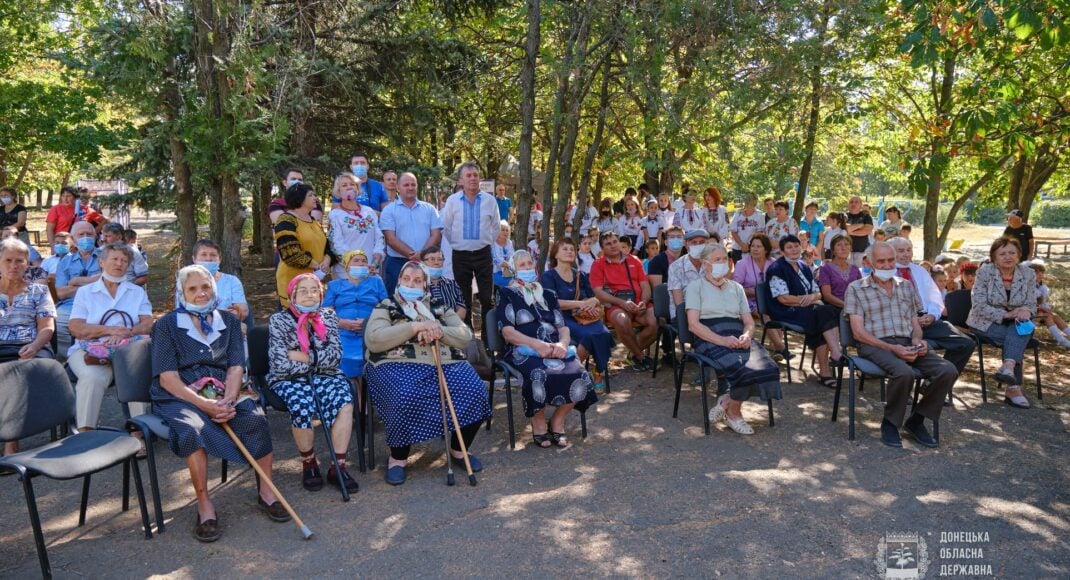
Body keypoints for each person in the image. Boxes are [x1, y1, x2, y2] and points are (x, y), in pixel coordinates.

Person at [151, 264, 289, 542]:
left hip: (225, 390)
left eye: (205, 287)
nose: (201, 293)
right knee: (192, 431)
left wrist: (228, 399)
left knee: (255, 418)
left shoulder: (228, 321)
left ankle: (267, 491)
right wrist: (205, 405)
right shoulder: (166, 325)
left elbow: (236, 366)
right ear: (182, 292)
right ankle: (205, 506)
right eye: (193, 288)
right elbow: (168, 379)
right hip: (181, 394)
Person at [364, 261, 491, 485]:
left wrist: (437, 329)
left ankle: (459, 448)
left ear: (425, 286)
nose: (411, 283)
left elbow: (463, 335)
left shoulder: (439, 306)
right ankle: (398, 458)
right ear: (399, 281)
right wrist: (414, 327)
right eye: (406, 279)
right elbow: (374, 340)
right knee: (403, 396)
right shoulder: (386, 305)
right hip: (397, 363)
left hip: (443, 360)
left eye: (417, 280)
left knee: (475, 391)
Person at [843, 241, 956, 448]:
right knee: (904, 373)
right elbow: (858, 333)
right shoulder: (856, 288)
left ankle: (916, 420)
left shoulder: (906, 286)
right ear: (869, 262)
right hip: (874, 344)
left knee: (947, 370)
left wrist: (917, 340)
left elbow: (915, 323)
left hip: (906, 342)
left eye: (890, 260)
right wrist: (892, 349)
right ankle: (890, 423)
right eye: (881, 261)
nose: (887, 265)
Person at [498, 250, 598, 447]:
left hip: (554, 347)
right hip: (523, 349)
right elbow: (508, 332)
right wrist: (538, 345)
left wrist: (562, 344)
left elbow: (563, 327)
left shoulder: (548, 295)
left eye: (530, 264)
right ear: (514, 270)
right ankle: (538, 421)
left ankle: (558, 420)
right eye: (522, 265)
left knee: (580, 373)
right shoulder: (507, 293)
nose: (527, 268)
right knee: (538, 373)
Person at [268, 274, 358, 493]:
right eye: (303, 290)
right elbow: (279, 365)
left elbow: (335, 357)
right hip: (289, 379)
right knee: (301, 405)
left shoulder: (329, 316)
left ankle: (338, 466)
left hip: (328, 375)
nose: (310, 294)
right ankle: (309, 463)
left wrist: (300, 356)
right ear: (292, 295)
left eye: (314, 290)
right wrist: (317, 361)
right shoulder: (278, 320)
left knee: (345, 402)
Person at [685, 243, 782, 435]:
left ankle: (726, 401)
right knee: (742, 370)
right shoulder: (695, 287)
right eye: (717, 260)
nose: (723, 263)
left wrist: (747, 335)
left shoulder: (737, 288)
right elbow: (693, 325)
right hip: (709, 336)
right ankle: (734, 415)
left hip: (737, 334)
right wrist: (721, 341)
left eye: (725, 259)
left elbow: (748, 321)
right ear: (705, 264)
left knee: (768, 368)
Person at [68, 242, 154, 430]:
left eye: (124, 260)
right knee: (92, 378)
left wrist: (127, 333)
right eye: (114, 259)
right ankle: (86, 432)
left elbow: (147, 323)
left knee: (135, 375)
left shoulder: (136, 292)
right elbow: (75, 327)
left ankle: (138, 433)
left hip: (128, 350)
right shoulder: (85, 292)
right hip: (90, 350)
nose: (119, 264)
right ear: (101, 262)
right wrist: (109, 331)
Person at [966, 237, 1038, 408]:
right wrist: (1007, 314)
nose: (1008, 257)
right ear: (994, 257)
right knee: (1018, 336)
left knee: (1020, 329)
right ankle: (1013, 387)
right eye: (1002, 253)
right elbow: (979, 306)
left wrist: (1026, 311)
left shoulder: (1028, 273)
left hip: (1017, 321)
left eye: (1012, 253)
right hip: (984, 321)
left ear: (1019, 255)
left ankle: (1008, 367)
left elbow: (1031, 303)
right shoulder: (985, 272)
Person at [888, 237, 975, 374]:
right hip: (901, 325)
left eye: (909, 250)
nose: (906, 254)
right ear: (890, 252)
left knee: (966, 343)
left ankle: (938, 379)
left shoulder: (920, 271)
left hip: (926, 320)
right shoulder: (886, 273)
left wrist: (932, 315)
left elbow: (935, 297)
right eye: (901, 251)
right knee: (910, 349)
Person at [765, 235, 842, 386]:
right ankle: (833, 359)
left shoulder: (804, 266)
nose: (794, 249)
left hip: (807, 309)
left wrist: (812, 297)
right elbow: (783, 299)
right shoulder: (777, 268)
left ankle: (830, 363)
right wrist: (805, 300)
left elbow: (818, 292)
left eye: (796, 246)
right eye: (789, 247)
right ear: (782, 251)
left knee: (825, 313)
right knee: (822, 314)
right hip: (784, 311)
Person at [541, 238, 615, 385]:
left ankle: (597, 371)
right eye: (565, 249)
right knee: (590, 336)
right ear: (555, 254)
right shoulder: (548, 276)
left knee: (604, 333)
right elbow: (553, 303)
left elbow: (592, 297)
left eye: (571, 249)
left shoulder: (579, 275)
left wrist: (593, 302)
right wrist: (581, 303)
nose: (569, 251)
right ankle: (572, 372)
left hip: (583, 317)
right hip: (560, 319)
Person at [441, 162, 501, 336]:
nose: (473, 178)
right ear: (461, 180)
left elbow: (495, 227)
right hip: (460, 255)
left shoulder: (490, 201)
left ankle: (488, 340)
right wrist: (460, 244)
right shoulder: (452, 201)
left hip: (483, 255)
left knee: (486, 298)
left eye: (475, 175)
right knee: (464, 298)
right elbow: (447, 227)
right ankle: (467, 338)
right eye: (468, 175)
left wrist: (484, 242)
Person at [590, 231, 657, 369]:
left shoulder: (634, 260)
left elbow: (645, 286)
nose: (613, 245)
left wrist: (643, 302)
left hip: (639, 302)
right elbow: (598, 292)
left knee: (656, 321)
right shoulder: (598, 264)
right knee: (622, 320)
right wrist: (622, 303)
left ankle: (632, 355)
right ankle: (640, 356)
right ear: (602, 248)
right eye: (608, 244)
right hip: (616, 304)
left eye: (615, 241)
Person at [323, 250, 388, 378]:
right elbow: (325, 312)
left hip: (371, 332)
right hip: (341, 332)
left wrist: (368, 322)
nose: (361, 264)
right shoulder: (334, 285)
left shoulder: (376, 282)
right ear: (347, 266)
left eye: (364, 261)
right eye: (356, 261)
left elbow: (386, 307)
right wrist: (340, 323)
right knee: (341, 358)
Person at [379, 172, 443, 296]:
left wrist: (422, 255)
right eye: (406, 184)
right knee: (395, 300)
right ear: (398, 187)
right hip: (397, 264)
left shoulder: (429, 209)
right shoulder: (389, 210)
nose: (410, 187)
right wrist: (414, 256)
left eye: (413, 184)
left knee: (426, 299)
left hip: (426, 262)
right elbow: (390, 239)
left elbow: (436, 235)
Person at [275, 183, 331, 306]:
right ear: (299, 198)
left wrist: (326, 261)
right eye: (311, 195)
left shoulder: (315, 222)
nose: (315, 198)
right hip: (293, 280)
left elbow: (327, 247)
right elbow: (290, 253)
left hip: (315, 280)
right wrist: (317, 265)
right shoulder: (286, 220)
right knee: (295, 321)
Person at [0, 237, 56, 362]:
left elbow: (47, 327)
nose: (13, 266)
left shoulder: (40, 291)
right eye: (8, 260)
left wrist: (34, 347)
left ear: (27, 264)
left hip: (32, 347)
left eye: (19, 261)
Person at [54, 221, 103, 356]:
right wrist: (93, 280)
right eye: (81, 234)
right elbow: (61, 293)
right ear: (73, 239)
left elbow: (107, 283)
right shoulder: (65, 262)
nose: (86, 237)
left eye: (89, 234)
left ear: (95, 236)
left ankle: (96, 355)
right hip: (70, 305)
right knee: (58, 322)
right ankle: (68, 359)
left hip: (99, 303)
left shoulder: (106, 256)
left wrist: (76, 281)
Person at [732, 232, 786, 355]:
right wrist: (756, 293)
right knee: (765, 312)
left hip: (770, 299)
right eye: (753, 246)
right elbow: (736, 287)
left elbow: (778, 285)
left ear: (766, 249)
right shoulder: (742, 264)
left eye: (759, 246)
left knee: (777, 311)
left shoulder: (774, 263)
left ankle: (777, 348)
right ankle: (781, 347)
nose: (755, 249)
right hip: (747, 301)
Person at [327, 172, 385, 279]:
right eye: (344, 185)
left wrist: (377, 258)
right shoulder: (335, 215)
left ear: (357, 188)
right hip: (346, 273)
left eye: (352, 184)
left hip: (371, 269)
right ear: (338, 191)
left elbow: (379, 237)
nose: (349, 187)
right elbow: (337, 245)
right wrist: (356, 264)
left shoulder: (369, 212)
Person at [192, 239, 249, 322]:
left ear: (220, 259)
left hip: (228, 330)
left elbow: (242, 311)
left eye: (213, 255)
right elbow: (184, 314)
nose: (208, 259)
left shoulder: (232, 281)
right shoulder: (185, 283)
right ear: (194, 259)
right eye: (203, 254)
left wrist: (206, 317)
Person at [667, 230, 709, 322]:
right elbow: (679, 303)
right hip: (684, 315)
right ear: (686, 245)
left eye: (702, 242)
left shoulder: (711, 265)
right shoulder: (676, 267)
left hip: (709, 312)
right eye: (694, 243)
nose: (698, 245)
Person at [817, 235, 861, 315]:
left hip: (856, 309)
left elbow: (861, 291)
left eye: (846, 244)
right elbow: (827, 296)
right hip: (835, 309)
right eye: (839, 245)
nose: (843, 248)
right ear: (833, 250)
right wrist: (847, 306)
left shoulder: (855, 269)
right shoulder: (825, 268)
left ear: (850, 249)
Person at [1029, 261, 1070, 348]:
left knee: (1054, 316)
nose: (1040, 274)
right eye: (1037, 272)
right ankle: (1061, 340)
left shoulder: (1039, 287)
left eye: (1042, 272)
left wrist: (1045, 308)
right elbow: (1027, 303)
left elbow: (1043, 303)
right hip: (1027, 314)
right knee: (1047, 316)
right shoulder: (1027, 286)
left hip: (1038, 312)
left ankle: (1065, 338)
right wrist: (1041, 308)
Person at [421, 246, 466, 319]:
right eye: (432, 259)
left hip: (452, 326)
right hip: (427, 327)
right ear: (422, 263)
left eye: (440, 259)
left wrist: (450, 322)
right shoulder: (417, 286)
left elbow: (462, 309)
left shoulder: (452, 284)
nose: (436, 262)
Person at [729, 195, 765, 262]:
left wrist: (749, 245)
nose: (747, 203)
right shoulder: (737, 213)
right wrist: (742, 244)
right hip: (737, 248)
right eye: (746, 201)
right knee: (739, 271)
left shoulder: (759, 215)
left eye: (750, 201)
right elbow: (733, 231)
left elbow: (759, 232)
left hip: (753, 248)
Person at [845, 195, 873, 267]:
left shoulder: (866, 216)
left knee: (860, 274)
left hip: (862, 252)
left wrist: (850, 231)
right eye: (851, 202)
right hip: (845, 251)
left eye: (856, 202)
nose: (853, 204)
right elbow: (843, 228)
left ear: (861, 205)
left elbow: (867, 230)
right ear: (848, 204)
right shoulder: (843, 216)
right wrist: (860, 225)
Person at [492, 220, 515, 287]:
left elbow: (512, 257)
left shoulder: (509, 243)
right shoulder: (493, 244)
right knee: (513, 283)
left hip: (508, 272)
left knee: (519, 281)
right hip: (495, 272)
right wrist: (511, 266)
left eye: (507, 230)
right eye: (502, 230)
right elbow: (498, 260)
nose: (505, 232)